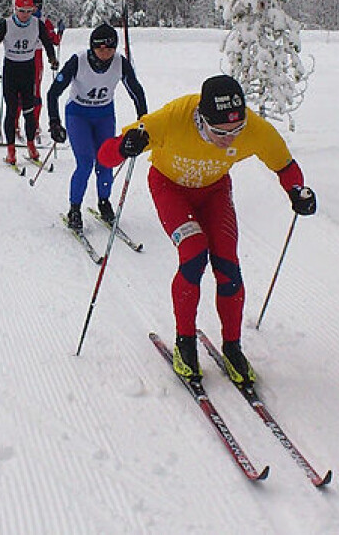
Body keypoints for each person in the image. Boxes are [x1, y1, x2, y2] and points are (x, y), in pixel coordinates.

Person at [97, 75, 318, 385]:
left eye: (236, 131)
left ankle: (233, 347)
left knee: (227, 264)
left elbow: (285, 166)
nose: (229, 139)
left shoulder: (253, 128)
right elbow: (105, 155)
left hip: (214, 191)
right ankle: (184, 343)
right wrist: (125, 146)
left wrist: (297, 191)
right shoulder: (172, 118)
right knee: (194, 254)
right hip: (170, 187)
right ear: (201, 118)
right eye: (219, 132)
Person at [47, 23, 146, 232]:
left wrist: (143, 121)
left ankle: (104, 202)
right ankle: (75, 208)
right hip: (78, 114)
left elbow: (136, 91)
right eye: (100, 48)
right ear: (92, 47)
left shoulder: (120, 63)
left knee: (106, 161)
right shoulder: (78, 61)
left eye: (109, 48)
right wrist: (54, 122)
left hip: (104, 115)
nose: (105, 53)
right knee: (85, 163)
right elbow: (53, 92)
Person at [0, 0, 58, 165]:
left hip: (28, 69)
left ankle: (31, 146)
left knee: (29, 110)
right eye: (22, 11)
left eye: (29, 11)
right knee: (11, 110)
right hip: (11, 70)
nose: (25, 15)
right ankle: (11, 150)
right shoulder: (6, 24)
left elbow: (47, 43)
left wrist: (52, 59)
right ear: (15, 9)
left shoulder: (36, 24)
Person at [14, 0, 61, 141]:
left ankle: (34, 124)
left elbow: (54, 41)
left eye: (38, 6)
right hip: (21, 57)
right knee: (19, 91)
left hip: (37, 56)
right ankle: (15, 124)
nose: (35, 9)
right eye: (33, 6)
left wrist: (59, 32)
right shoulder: (21, 19)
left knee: (35, 92)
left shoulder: (44, 21)